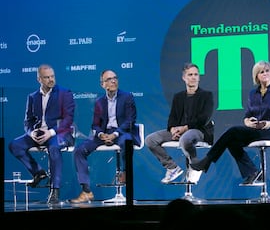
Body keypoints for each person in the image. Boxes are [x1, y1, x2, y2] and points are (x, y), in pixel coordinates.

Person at [191, 60, 270, 185]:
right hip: (257, 130)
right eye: (262, 72)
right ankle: (252, 172)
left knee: (233, 131)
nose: (265, 73)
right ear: (256, 76)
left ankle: (206, 161)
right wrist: (248, 123)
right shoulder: (253, 94)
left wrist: (269, 123)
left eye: (267, 70)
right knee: (232, 142)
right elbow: (247, 116)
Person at [8, 64, 75, 204]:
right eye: (47, 77)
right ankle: (38, 172)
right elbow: (27, 121)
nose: (51, 79)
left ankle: (55, 190)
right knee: (15, 145)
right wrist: (32, 133)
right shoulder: (32, 96)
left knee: (54, 147)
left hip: (59, 133)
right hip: (38, 133)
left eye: (52, 76)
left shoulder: (65, 93)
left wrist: (50, 132)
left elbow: (68, 119)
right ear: (39, 79)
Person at [70, 69, 140, 203]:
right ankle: (86, 191)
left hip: (121, 132)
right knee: (79, 150)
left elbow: (130, 120)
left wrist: (115, 134)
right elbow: (95, 125)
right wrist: (101, 134)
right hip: (104, 134)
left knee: (127, 142)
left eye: (115, 77)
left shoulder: (127, 97)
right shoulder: (99, 102)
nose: (113, 81)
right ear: (103, 84)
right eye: (109, 79)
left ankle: (125, 173)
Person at [145, 62, 214, 184]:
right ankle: (172, 167)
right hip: (179, 131)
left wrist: (183, 129)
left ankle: (195, 166)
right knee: (151, 140)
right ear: (184, 78)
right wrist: (173, 129)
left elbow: (203, 119)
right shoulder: (178, 97)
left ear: (199, 77)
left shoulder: (206, 95)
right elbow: (172, 118)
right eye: (190, 74)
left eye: (196, 75)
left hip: (199, 131)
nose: (193, 77)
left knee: (185, 139)